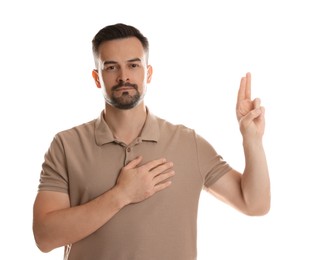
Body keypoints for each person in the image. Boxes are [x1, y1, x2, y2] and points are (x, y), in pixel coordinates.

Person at [32, 23, 270, 260]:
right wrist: (121, 194)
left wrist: (252, 140)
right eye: (111, 67)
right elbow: (44, 237)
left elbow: (255, 204)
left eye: (133, 65)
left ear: (148, 73)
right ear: (97, 77)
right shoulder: (66, 146)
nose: (123, 76)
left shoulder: (188, 144)